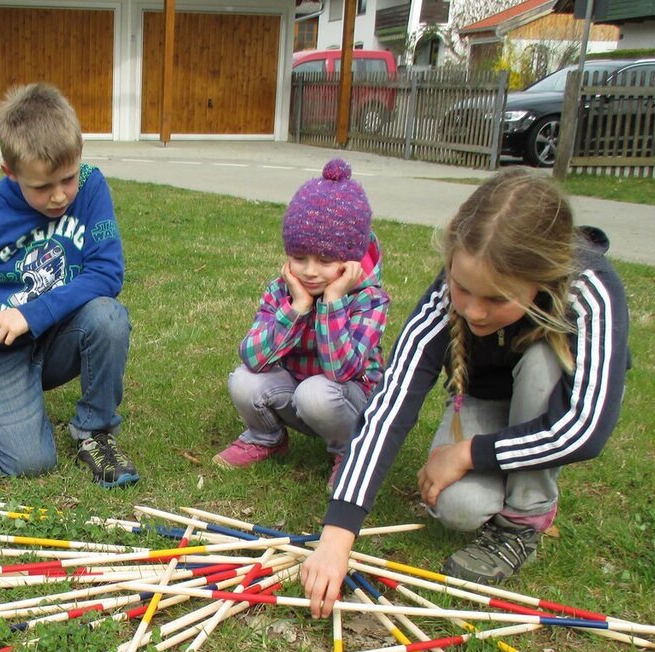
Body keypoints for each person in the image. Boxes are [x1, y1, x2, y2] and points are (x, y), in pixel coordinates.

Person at [302, 168, 630, 611]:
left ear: (542, 278)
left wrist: (468, 453)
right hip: (484, 399)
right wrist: (337, 534)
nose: (474, 311)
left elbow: (585, 428)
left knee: (539, 363)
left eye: (497, 299)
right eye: (462, 288)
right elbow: (392, 402)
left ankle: (523, 518)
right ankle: (498, 480)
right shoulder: (451, 290)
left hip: (550, 405)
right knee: (457, 508)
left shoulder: (591, 291)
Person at [0, 82, 138, 487]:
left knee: (108, 318)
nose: (59, 197)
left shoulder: (92, 186)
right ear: (10, 173)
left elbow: (106, 273)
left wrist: (29, 316)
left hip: (57, 335)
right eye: (42, 187)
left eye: (67, 179)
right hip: (0, 352)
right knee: (30, 463)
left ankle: (94, 432)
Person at [214, 159, 389, 488]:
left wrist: (334, 301)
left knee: (316, 393)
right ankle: (265, 438)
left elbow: (340, 371)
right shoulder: (284, 289)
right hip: (298, 392)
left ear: (350, 259)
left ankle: (349, 451)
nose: (309, 271)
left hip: (344, 399)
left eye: (325, 261)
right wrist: (297, 307)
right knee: (243, 379)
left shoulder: (370, 300)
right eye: (300, 258)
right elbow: (252, 355)